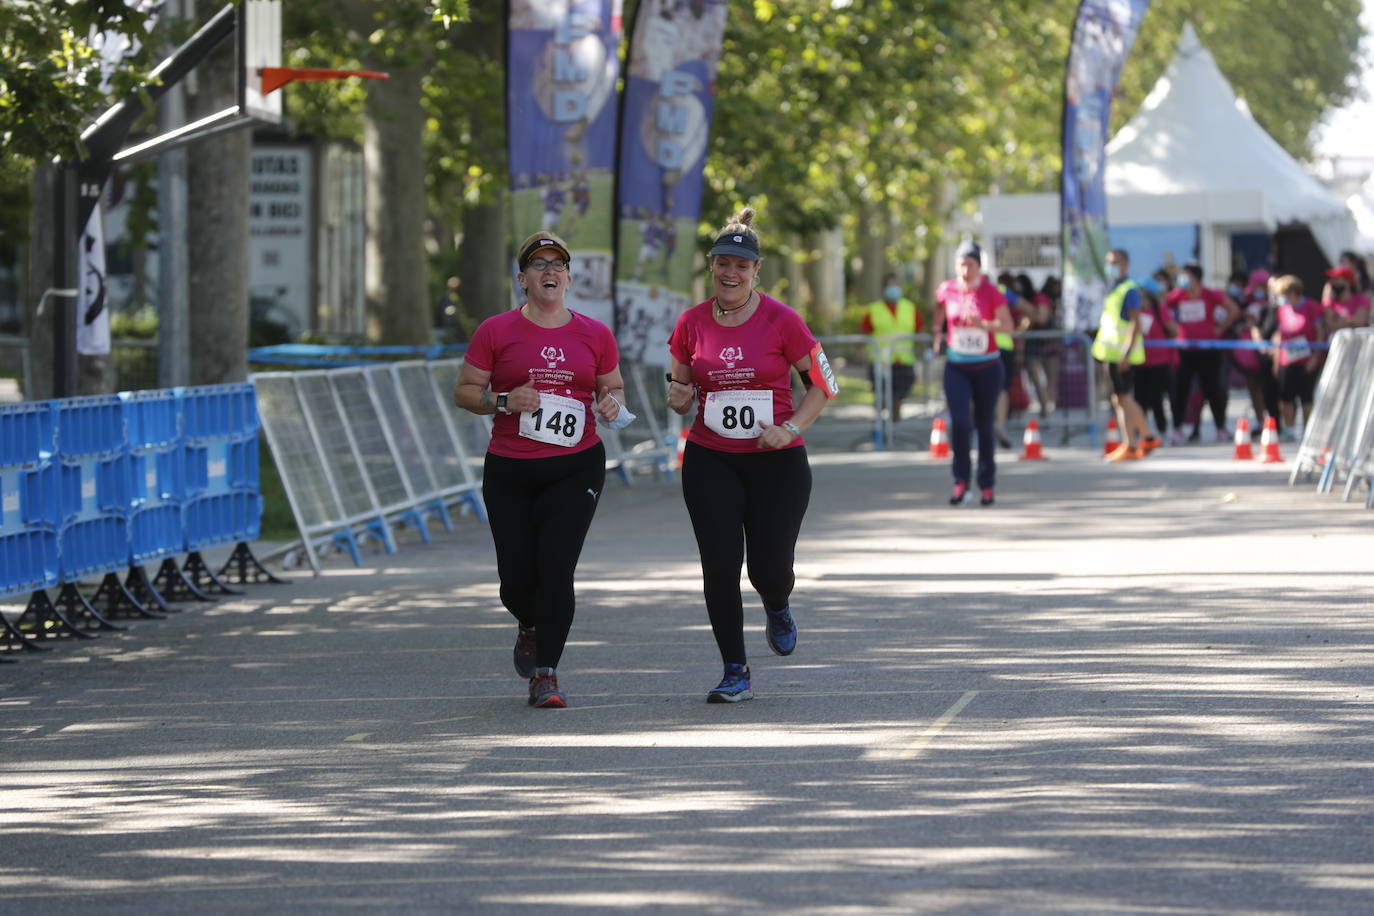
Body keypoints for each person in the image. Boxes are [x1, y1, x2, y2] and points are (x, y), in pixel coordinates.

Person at [667, 206, 837, 704]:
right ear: (711, 266)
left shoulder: (783, 321)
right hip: (710, 458)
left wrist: (790, 427)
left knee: (768, 567)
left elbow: (823, 385)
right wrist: (677, 397)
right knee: (719, 565)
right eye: (723, 263)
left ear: (756, 271)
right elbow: (679, 385)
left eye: (741, 266)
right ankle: (734, 669)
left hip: (776, 463)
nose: (730, 273)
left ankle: (778, 602)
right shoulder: (691, 323)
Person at [453, 232, 628, 709]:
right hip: (510, 467)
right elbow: (465, 391)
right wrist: (506, 400)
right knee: (515, 580)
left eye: (558, 264)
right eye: (538, 264)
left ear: (569, 278)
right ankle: (528, 624)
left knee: (556, 567)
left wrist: (612, 405)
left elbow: (612, 387)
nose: (549, 271)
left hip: (576, 464)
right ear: (522, 279)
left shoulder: (594, 333)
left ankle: (546, 673)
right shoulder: (496, 330)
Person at [934, 241, 1013, 505]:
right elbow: (938, 312)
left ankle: (987, 484)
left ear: (979, 266)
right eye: (961, 264)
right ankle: (960, 482)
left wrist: (984, 324)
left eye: (971, 264)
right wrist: (937, 334)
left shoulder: (991, 292)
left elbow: (1008, 326)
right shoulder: (947, 290)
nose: (965, 269)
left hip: (987, 367)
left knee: (984, 425)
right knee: (960, 423)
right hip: (957, 367)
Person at [1165, 261, 1239, 443]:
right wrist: (1173, 328)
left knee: (1213, 390)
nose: (1181, 279)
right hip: (1184, 349)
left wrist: (1221, 328)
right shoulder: (1177, 295)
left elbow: (1233, 309)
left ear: (1195, 278)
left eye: (1185, 275)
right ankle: (1176, 429)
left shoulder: (1211, 294)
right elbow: (1162, 308)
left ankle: (1221, 428)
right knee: (1180, 390)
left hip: (1208, 349)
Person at [1092, 249, 1156, 461]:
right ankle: (1129, 444)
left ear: (1126, 264)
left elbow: (1135, 324)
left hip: (1120, 355)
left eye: (1115, 262)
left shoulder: (1129, 290)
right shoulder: (1114, 288)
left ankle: (1146, 436)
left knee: (1124, 398)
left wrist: (1125, 354)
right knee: (1119, 399)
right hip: (1110, 353)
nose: (1111, 266)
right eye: (1108, 262)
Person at [1265, 274, 1325, 442]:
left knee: (1306, 396)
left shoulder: (1312, 307)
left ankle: (1308, 431)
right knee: (1286, 397)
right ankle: (1289, 429)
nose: (1280, 299)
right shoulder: (1282, 310)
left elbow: (1320, 333)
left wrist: (1315, 357)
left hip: (1307, 360)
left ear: (1293, 292)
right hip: (1287, 359)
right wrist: (1277, 360)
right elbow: (1280, 336)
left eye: (1283, 294)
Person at [860, 272, 924, 422]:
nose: (893, 288)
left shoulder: (910, 308)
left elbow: (919, 331)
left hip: (903, 361)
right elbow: (863, 332)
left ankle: (893, 426)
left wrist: (926, 350)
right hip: (880, 361)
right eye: (890, 285)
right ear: (883, 288)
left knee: (899, 396)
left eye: (895, 285)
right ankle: (882, 428)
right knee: (882, 397)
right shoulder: (874, 309)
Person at [1132, 276, 1175, 443]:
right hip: (1140, 361)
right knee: (1139, 398)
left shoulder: (1159, 310)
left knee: (1157, 398)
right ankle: (1141, 431)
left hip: (1159, 361)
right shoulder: (1134, 311)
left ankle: (1162, 429)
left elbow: (1174, 330)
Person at [1020, 273, 1060, 419]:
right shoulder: (1039, 298)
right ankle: (1045, 407)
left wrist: (1028, 317)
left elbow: (1041, 318)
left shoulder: (1040, 299)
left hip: (1044, 343)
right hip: (1038, 343)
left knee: (1047, 378)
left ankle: (1047, 407)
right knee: (1039, 378)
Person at [1321, 264, 1370, 333]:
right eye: (1332, 279)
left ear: (1348, 282)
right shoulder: (1329, 302)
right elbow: (1330, 325)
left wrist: (1338, 319)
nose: (1332, 282)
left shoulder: (1361, 299)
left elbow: (1360, 322)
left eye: (1337, 279)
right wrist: (1326, 299)